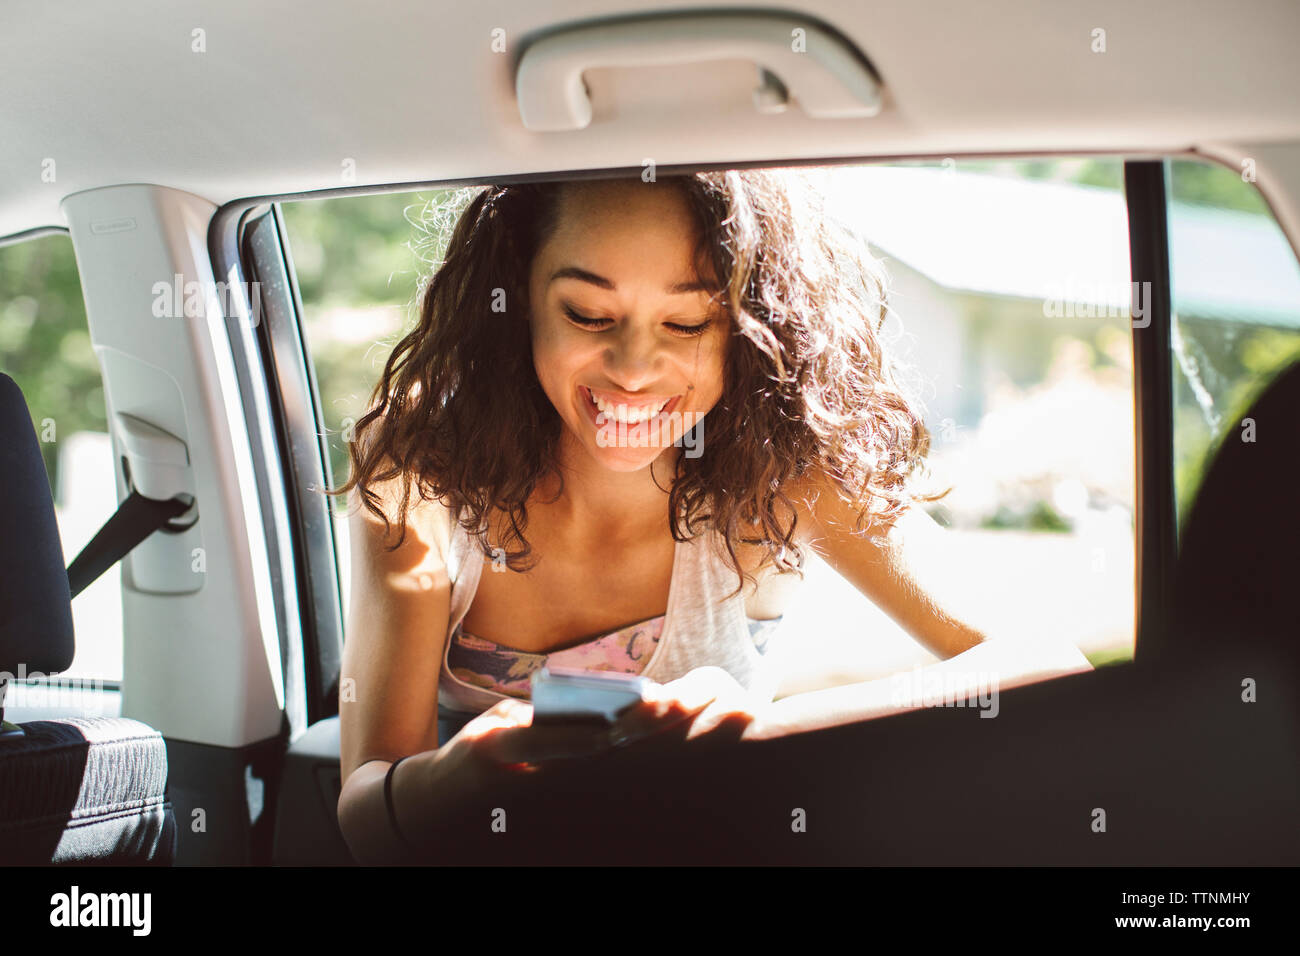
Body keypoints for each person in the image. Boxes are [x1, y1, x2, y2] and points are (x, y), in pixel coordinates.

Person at [334, 169, 1092, 863]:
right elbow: (365, 809)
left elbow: (1048, 665)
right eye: (589, 313)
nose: (633, 370)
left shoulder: (784, 455)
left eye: (688, 324)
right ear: (517, 295)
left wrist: (758, 730)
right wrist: (464, 774)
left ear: (750, 327)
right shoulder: (427, 458)